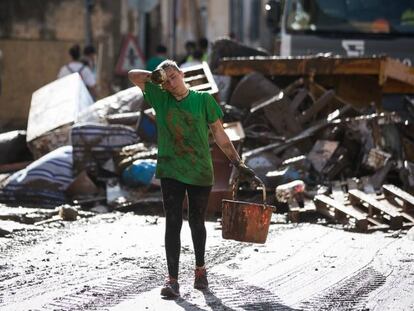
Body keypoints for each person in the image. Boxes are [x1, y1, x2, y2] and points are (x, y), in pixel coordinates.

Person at [128, 60, 256, 298]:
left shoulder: (203, 100)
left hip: (199, 170)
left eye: (174, 76)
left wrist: (238, 163)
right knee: (173, 222)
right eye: (167, 80)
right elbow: (133, 75)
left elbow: (219, 133)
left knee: (197, 222)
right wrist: (157, 76)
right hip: (170, 168)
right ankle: (172, 280)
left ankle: (200, 270)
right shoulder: (160, 97)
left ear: (182, 74)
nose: (171, 82)